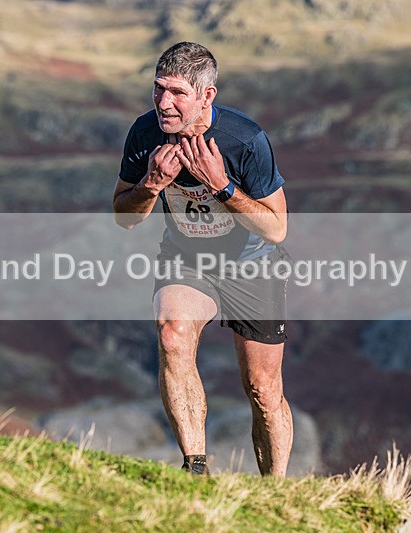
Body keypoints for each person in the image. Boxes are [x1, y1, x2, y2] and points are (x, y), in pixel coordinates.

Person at [112, 42, 293, 476]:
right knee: (172, 334)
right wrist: (152, 185)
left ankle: (277, 493)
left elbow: (276, 228)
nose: (164, 103)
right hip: (186, 259)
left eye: (177, 93)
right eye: (158, 89)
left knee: (262, 389)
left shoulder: (244, 140)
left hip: (253, 263)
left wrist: (223, 187)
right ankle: (196, 470)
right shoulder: (145, 134)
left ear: (206, 96)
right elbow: (123, 217)